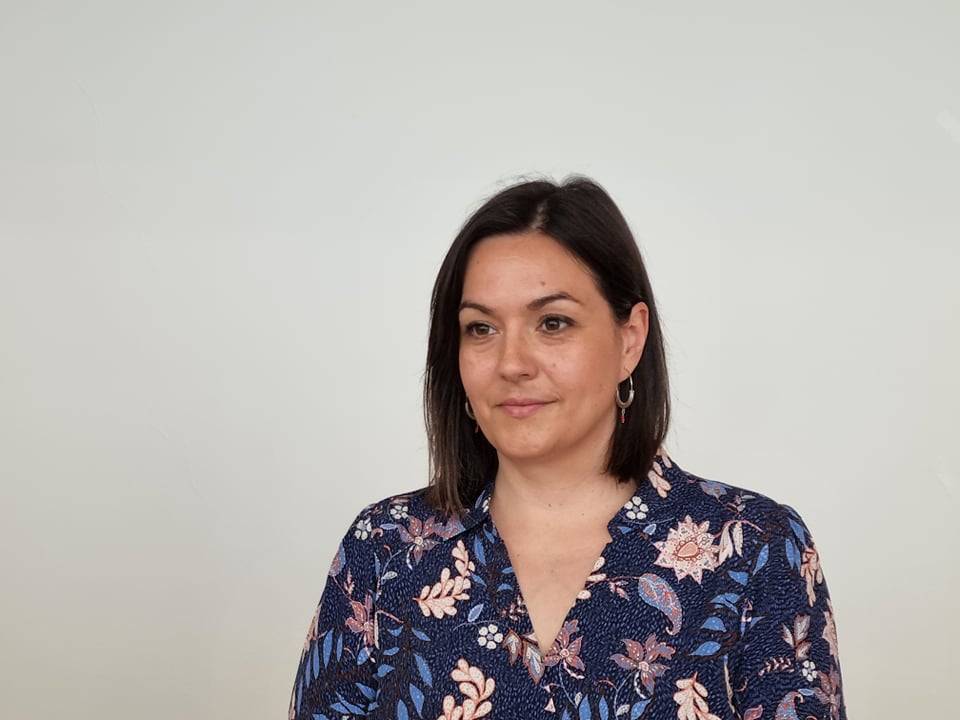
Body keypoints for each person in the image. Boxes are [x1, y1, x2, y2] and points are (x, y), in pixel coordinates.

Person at [287, 176, 847, 720]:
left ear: (629, 339)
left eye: (552, 323)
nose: (512, 363)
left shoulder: (754, 550)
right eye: (481, 329)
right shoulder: (386, 551)